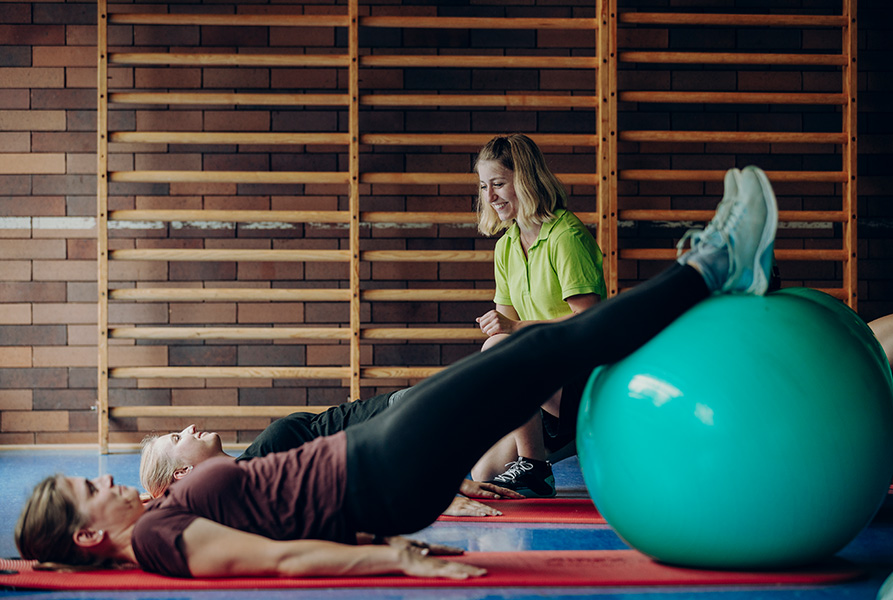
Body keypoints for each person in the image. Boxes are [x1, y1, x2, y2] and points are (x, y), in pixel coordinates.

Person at [15, 165, 778, 580]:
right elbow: (279, 559)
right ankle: (714, 266)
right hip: (380, 469)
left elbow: (280, 517)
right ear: (87, 537)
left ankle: (711, 271)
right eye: (92, 491)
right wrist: (394, 558)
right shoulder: (157, 540)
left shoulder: (155, 523)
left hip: (378, 467)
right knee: (544, 352)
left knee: (530, 355)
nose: (106, 481)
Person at [139, 388, 523, 517]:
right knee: (514, 376)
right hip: (411, 425)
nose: (188, 428)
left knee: (511, 382)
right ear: (182, 473)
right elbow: (348, 476)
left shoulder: (255, 463)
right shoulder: (258, 473)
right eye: (176, 438)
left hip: (411, 414)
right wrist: (435, 492)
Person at [472, 134, 608, 497]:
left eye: (499, 183)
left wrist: (515, 329)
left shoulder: (566, 235)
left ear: (526, 180)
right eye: (484, 186)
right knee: (482, 474)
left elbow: (590, 320)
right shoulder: (505, 247)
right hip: (541, 387)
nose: (491, 196)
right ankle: (533, 458)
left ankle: (534, 466)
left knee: (502, 346)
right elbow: (503, 333)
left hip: (582, 377)